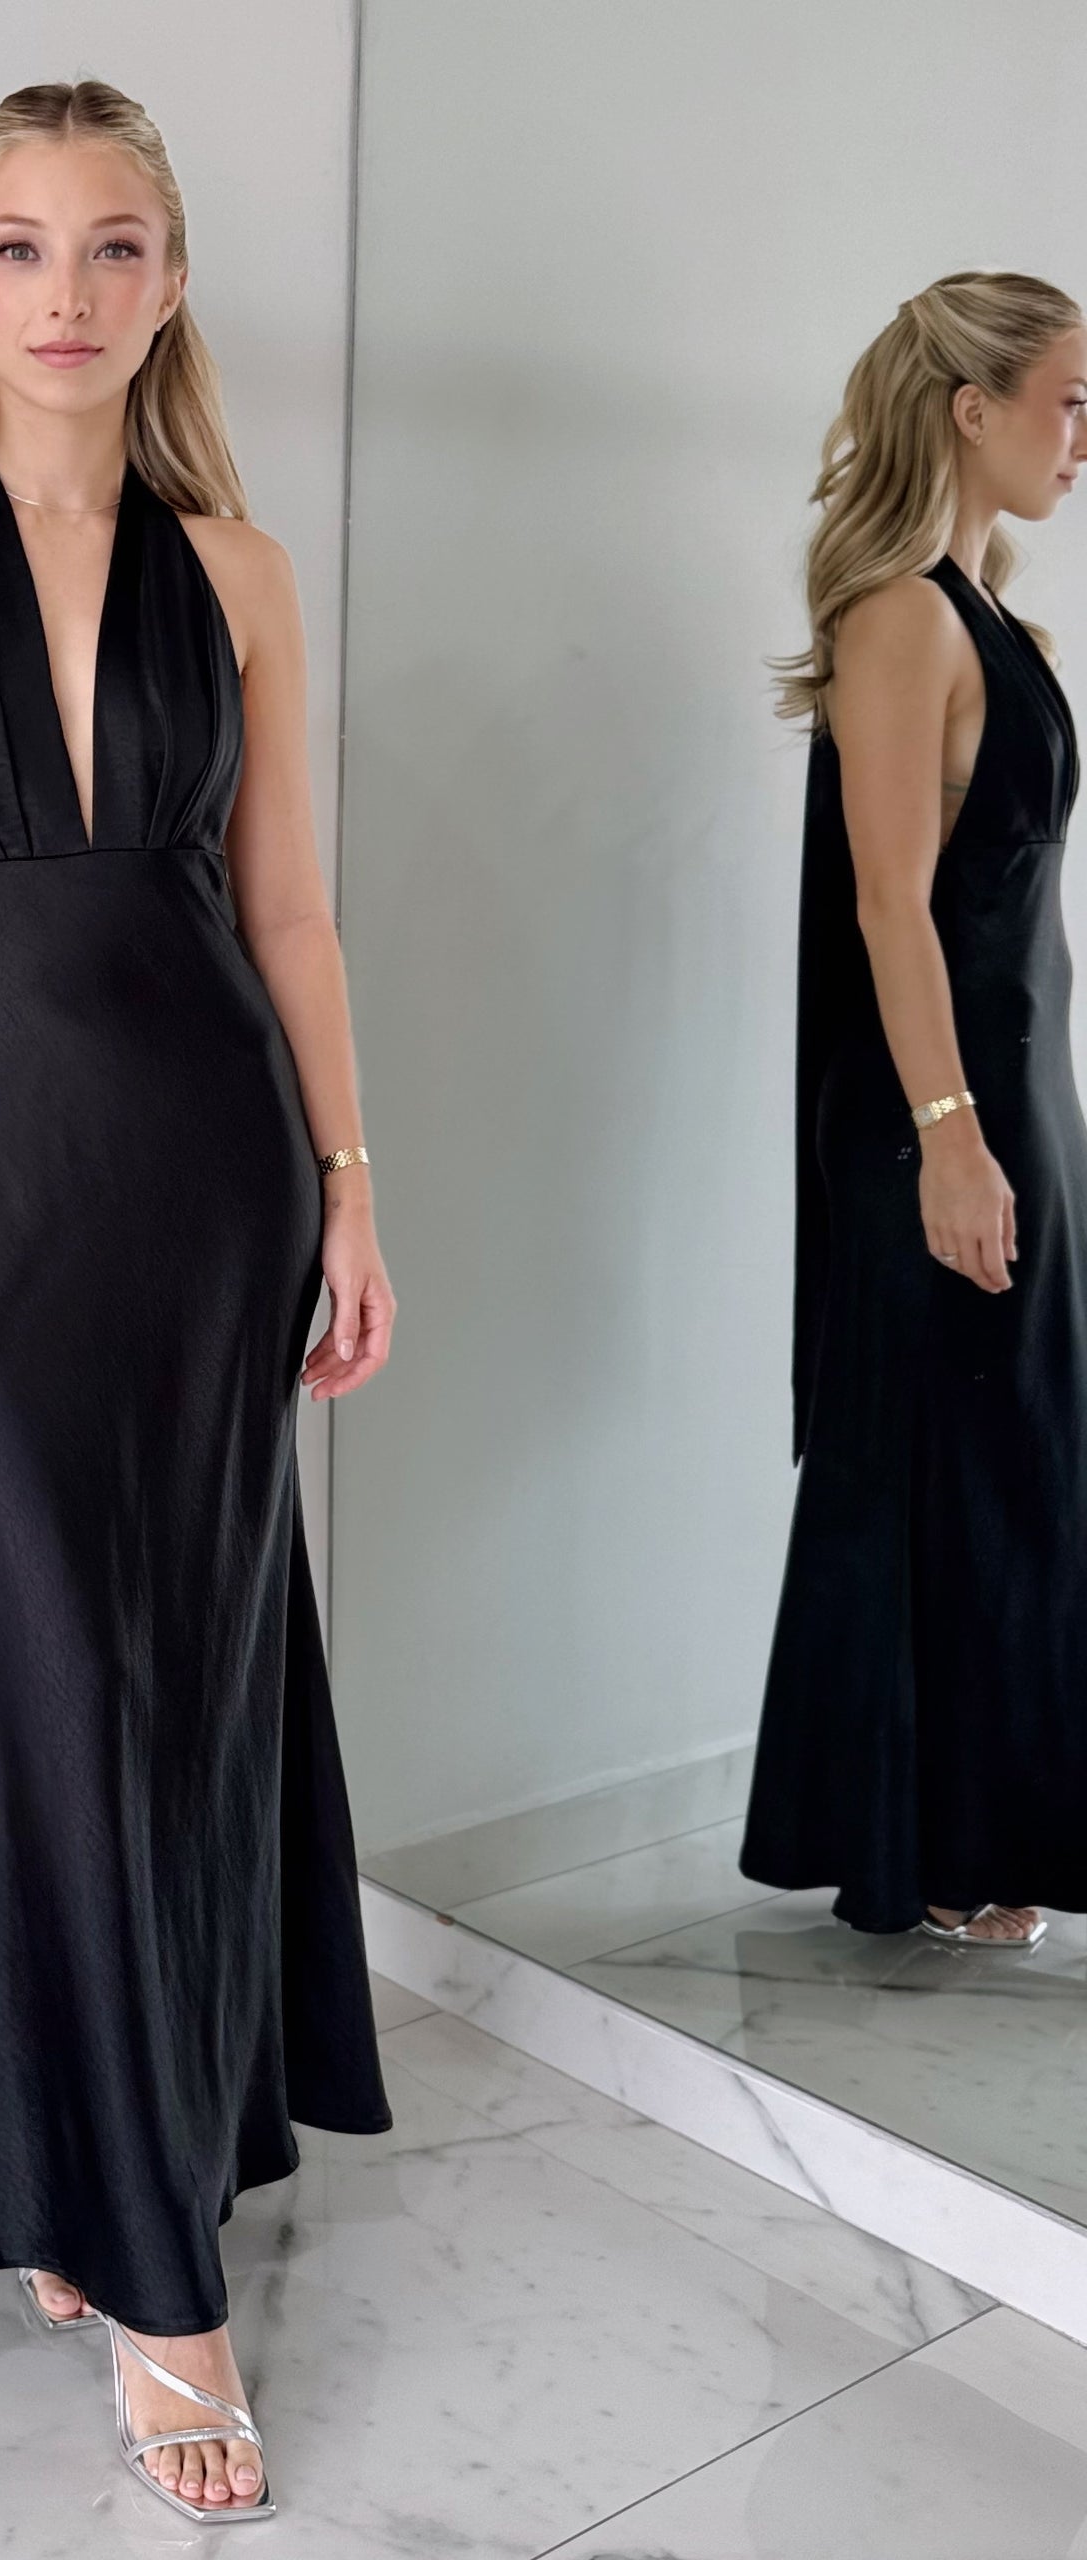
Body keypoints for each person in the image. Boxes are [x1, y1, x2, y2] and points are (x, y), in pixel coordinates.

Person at [0, 77, 395, 2520]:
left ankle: (105, 2184)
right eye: (21, 245)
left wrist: (350, 1185)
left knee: (187, 1660)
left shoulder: (237, 568)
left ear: (170, 282)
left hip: (213, 1172)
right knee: (54, 1660)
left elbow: (290, 910)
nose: (66, 290)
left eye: (114, 244)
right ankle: (144, 2245)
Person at [741, 271, 1087, 1945]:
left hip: (1022, 1097)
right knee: (951, 1461)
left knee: (1012, 1458)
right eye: (1068, 402)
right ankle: (938, 1851)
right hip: (941, 1118)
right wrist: (950, 1133)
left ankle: (976, 1838)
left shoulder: (989, 617)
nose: (1080, 438)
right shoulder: (902, 618)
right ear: (973, 407)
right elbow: (892, 905)